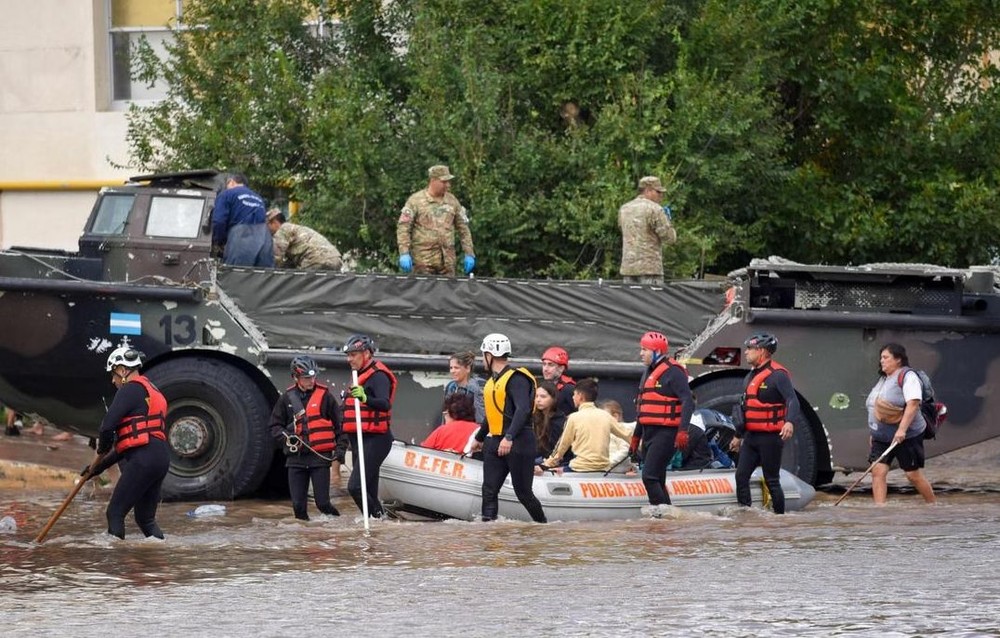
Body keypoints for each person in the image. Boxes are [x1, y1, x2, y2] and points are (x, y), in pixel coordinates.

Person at [82, 345, 170, 539]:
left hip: (144, 461)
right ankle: (158, 560)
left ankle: (115, 562)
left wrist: (100, 452)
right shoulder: (152, 392)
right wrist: (97, 468)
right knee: (145, 520)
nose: (113, 381)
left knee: (114, 513)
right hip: (160, 460)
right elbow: (129, 444)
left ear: (123, 370)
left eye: (113, 375)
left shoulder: (129, 389)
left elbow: (107, 428)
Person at [469, 333, 547, 523]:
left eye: (483, 354)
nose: (482, 359)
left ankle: (543, 528)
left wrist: (509, 437)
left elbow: (523, 410)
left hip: (518, 441)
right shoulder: (492, 382)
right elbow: (493, 416)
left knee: (523, 493)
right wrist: (479, 438)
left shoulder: (517, 378)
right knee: (488, 490)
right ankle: (489, 531)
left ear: (491, 354)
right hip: (495, 440)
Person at [730, 333, 802, 514]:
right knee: (741, 476)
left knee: (772, 480)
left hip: (770, 438)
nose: (745, 352)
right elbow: (745, 408)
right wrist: (738, 436)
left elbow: (792, 401)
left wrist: (789, 422)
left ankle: (779, 518)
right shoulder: (750, 376)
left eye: (749, 349)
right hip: (751, 437)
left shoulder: (778, 375)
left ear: (761, 351)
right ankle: (745, 513)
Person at [269, 355, 342, 520]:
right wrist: (287, 437)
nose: (311, 380)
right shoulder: (286, 399)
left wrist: (340, 449)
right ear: (295, 377)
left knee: (322, 503)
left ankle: (338, 528)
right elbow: (274, 427)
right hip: (296, 460)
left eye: (313, 376)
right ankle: (305, 540)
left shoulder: (326, 397)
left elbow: (340, 426)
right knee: (298, 507)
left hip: (319, 459)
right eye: (306, 378)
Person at [629, 331, 695, 506]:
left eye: (644, 349)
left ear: (657, 351)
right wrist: (636, 436)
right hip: (649, 432)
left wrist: (682, 431)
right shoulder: (648, 372)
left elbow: (688, 401)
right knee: (657, 477)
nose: (641, 353)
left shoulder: (674, 372)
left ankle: (659, 515)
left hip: (667, 433)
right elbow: (643, 410)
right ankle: (667, 517)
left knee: (649, 476)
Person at [866, 343, 936, 505]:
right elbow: (875, 407)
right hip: (881, 437)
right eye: (881, 357)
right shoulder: (883, 378)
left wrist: (902, 430)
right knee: (878, 471)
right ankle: (880, 510)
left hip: (906, 435)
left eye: (886, 357)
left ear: (898, 359)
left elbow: (913, 404)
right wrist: (874, 432)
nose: (882, 361)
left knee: (912, 475)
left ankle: (932, 505)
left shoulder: (907, 376)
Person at [342, 333, 397, 518]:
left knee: (355, 486)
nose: (349, 359)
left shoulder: (378, 376)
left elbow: (384, 403)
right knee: (369, 491)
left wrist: (365, 398)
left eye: (353, 354)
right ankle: (378, 527)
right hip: (359, 439)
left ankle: (377, 520)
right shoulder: (358, 374)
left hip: (377, 440)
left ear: (366, 353)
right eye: (348, 355)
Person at [396, 164, 476, 276]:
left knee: (448, 293)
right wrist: (404, 252)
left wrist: (469, 253)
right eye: (444, 182)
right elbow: (404, 228)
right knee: (424, 292)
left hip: (447, 264)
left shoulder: (452, 201)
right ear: (433, 180)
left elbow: (463, 229)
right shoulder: (415, 201)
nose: (447, 185)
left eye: (448, 181)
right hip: (423, 263)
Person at [543, 379, 632, 472]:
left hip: (579, 468)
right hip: (603, 469)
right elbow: (628, 435)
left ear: (580, 396)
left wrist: (547, 464)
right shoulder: (606, 416)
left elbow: (561, 447)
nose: (573, 397)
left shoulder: (574, 418)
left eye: (574, 394)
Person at [617, 175, 677, 284]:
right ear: (648, 190)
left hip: (628, 269)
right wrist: (668, 220)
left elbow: (623, 231)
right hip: (650, 270)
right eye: (658, 192)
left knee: (630, 301)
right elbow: (670, 238)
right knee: (652, 301)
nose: (661, 196)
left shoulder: (624, 209)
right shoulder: (655, 209)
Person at [211, 172, 274, 267]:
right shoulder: (258, 198)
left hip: (241, 240)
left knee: (236, 276)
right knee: (263, 277)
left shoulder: (226, 194)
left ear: (231, 182)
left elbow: (219, 221)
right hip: (265, 241)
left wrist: (219, 241)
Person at [266, 208, 343, 271]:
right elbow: (290, 263)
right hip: (335, 259)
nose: (267, 230)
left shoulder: (282, 230)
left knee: (298, 286)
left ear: (274, 222)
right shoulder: (296, 228)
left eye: (267, 225)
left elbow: (276, 259)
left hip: (315, 260)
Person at [444, 351, 485, 425]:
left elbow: (480, 419)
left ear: (467, 368)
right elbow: (446, 413)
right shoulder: (450, 387)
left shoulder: (475, 389)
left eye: (456, 368)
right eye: (451, 368)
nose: (452, 371)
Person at [531, 380, 566, 465]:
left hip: (552, 462)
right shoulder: (532, 417)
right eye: (536, 396)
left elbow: (557, 448)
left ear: (553, 398)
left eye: (543, 397)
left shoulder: (559, 420)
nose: (538, 400)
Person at [601, 399, 637, 472]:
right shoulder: (605, 432)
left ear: (615, 416)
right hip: (607, 471)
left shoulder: (621, 431)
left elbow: (625, 450)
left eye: (604, 418)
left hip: (620, 472)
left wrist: (609, 463)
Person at [540, 346, 576, 417]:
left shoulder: (569, 389)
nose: (545, 369)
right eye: (544, 364)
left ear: (561, 368)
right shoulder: (540, 386)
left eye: (550, 365)